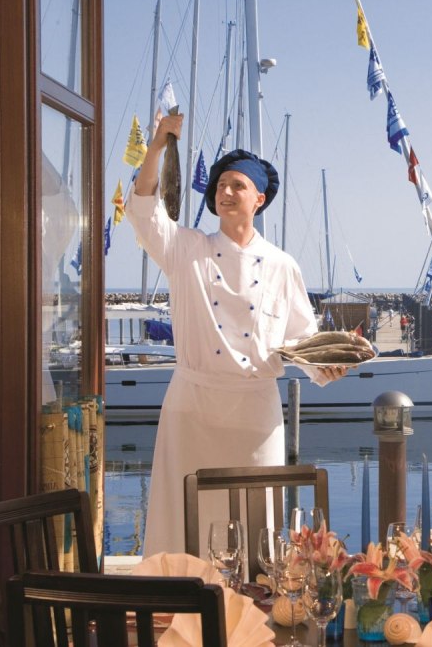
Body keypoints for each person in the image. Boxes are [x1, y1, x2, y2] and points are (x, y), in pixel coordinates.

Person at [129, 112, 346, 555]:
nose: (225, 193)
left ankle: (254, 595)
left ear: (259, 200)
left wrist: (327, 366)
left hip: (255, 415)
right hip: (192, 408)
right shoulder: (186, 249)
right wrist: (158, 144)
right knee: (182, 522)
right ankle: (178, 593)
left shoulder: (282, 265)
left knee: (255, 522)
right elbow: (144, 205)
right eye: (220, 186)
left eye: (237, 186)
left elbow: (303, 339)